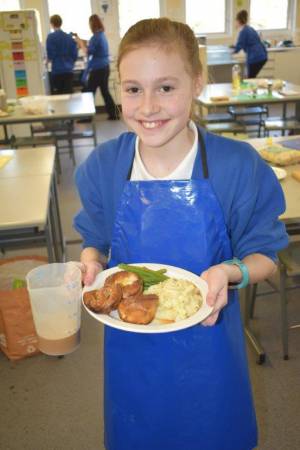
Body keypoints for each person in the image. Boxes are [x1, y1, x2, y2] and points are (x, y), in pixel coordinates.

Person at [73, 18, 288, 450]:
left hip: (209, 345)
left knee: (211, 431)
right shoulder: (103, 167)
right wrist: (92, 260)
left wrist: (229, 272)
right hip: (131, 347)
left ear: (197, 83)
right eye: (133, 89)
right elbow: (94, 235)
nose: (148, 106)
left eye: (166, 88)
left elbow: (265, 255)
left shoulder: (236, 166)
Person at [76, 14, 119, 120]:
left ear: (92, 24)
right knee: (105, 92)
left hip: (97, 69)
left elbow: (88, 52)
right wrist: (84, 41)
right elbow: (93, 46)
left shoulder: (95, 37)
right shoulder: (101, 36)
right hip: (105, 67)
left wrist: (80, 43)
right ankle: (114, 114)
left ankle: (86, 117)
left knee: (89, 92)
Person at [46, 14, 78, 94]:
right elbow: (75, 55)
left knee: (59, 98)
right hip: (68, 71)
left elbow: (50, 56)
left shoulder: (50, 37)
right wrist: (70, 63)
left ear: (52, 24)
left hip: (57, 71)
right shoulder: (69, 37)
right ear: (61, 23)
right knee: (68, 97)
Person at [233, 9, 268, 78]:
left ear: (238, 21)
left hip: (255, 57)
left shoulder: (244, 31)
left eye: (235, 21)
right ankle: (252, 87)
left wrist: (232, 53)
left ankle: (252, 88)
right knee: (251, 77)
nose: (235, 23)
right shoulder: (250, 28)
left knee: (250, 78)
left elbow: (239, 45)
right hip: (262, 56)